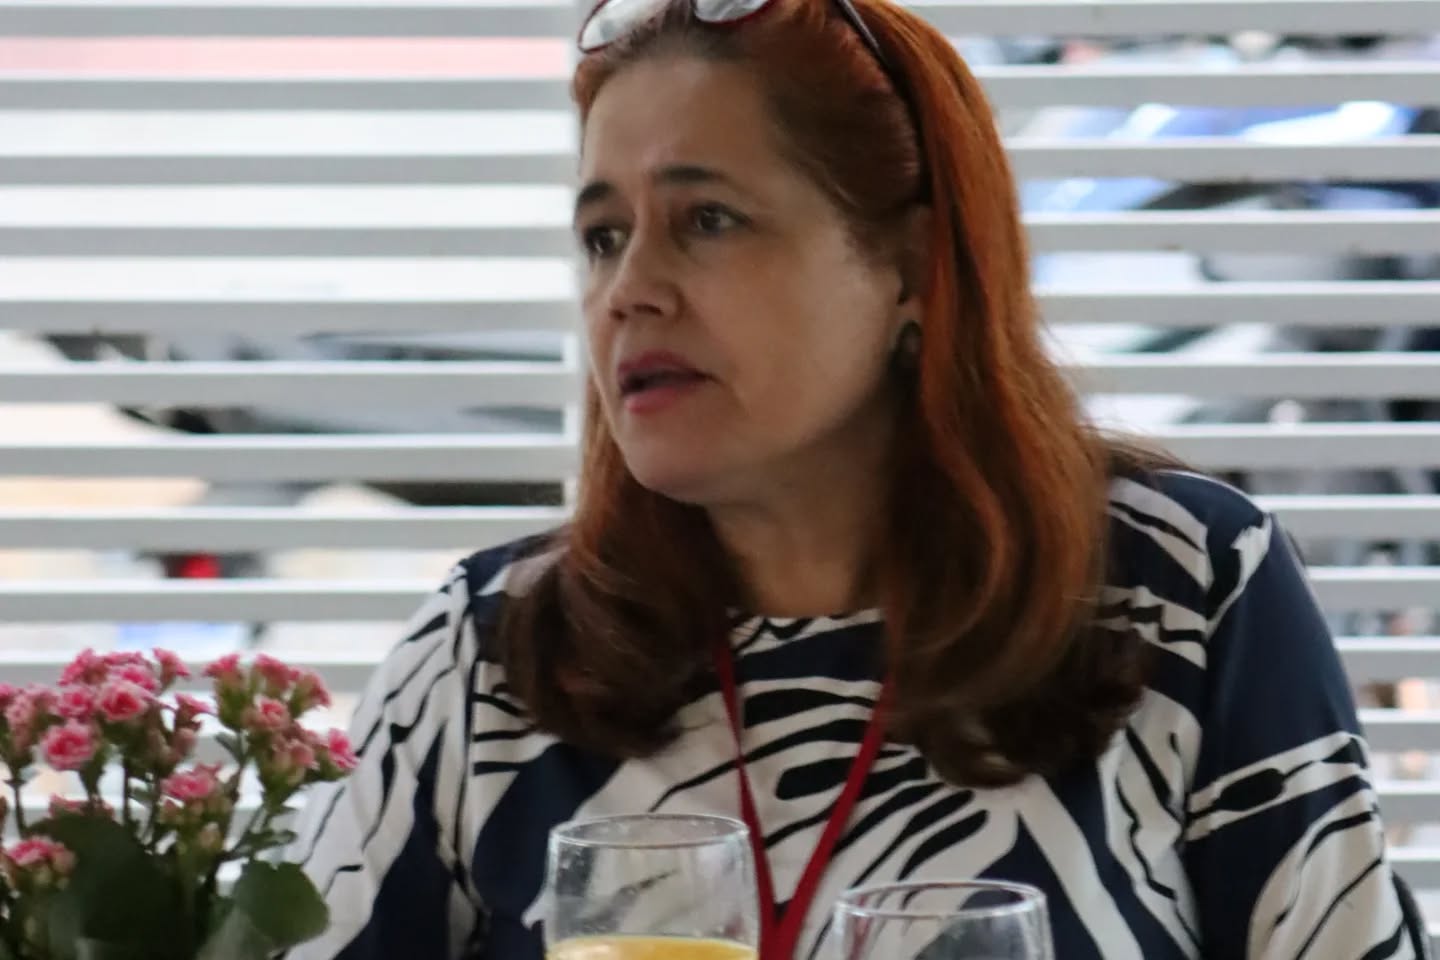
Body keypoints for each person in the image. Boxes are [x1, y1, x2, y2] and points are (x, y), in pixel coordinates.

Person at [286, 0, 1415, 955]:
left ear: (912, 268)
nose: (630, 290)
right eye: (603, 236)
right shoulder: (487, 653)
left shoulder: (1185, 590)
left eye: (708, 220)